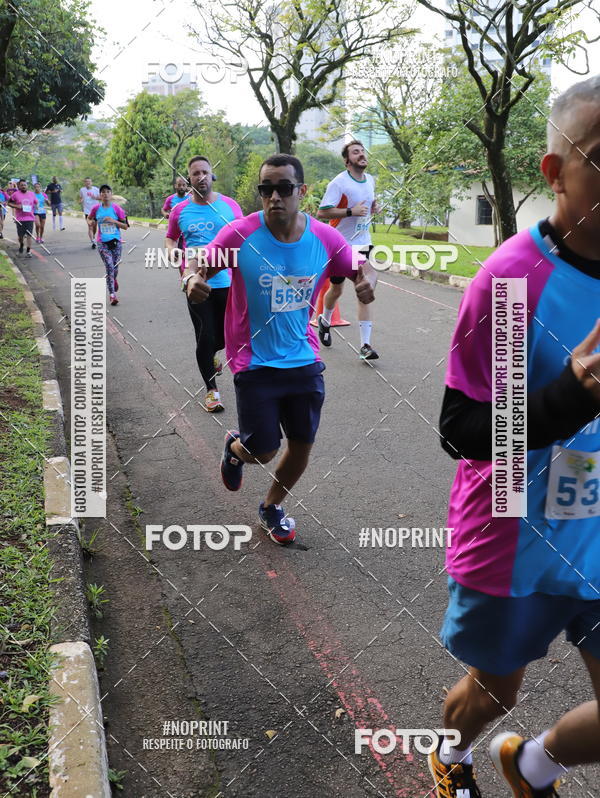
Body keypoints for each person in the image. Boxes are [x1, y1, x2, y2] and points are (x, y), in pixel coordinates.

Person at [428, 76, 600, 798]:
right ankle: (452, 754)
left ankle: (531, 766)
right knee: (493, 692)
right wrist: (567, 400)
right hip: (514, 531)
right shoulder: (512, 282)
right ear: (555, 172)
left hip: (597, 529)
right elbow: (462, 429)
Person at [185, 154, 377, 544]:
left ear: (301, 192)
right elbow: (198, 264)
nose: (274, 197)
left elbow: (362, 265)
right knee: (264, 451)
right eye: (266, 189)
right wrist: (190, 279)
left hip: (303, 357)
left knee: (302, 445)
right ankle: (236, 449)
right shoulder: (240, 235)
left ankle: (271, 506)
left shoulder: (324, 238)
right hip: (253, 361)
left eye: (284, 188)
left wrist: (366, 281)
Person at [166, 157, 242, 413]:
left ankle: (213, 354)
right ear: (189, 179)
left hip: (227, 280)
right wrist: (173, 252)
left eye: (205, 172)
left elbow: (243, 236)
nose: (201, 177)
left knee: (226, 336)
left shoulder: (230, 206)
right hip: (194, 283)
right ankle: (211, 391)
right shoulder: (179, 211)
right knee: (205, 334)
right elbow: (171, 239)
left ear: (212, 175)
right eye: (196, 173)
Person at [316, 140, 380, 360]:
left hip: (363, 243)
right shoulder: (339, 183)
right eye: (355, 152)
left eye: (362, 151)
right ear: (347, 160)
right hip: (340, 244)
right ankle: (325, 320)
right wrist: (351, 212)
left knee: (364, 288)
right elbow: (323, 212)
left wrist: (373, 207)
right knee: (336, 290)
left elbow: (368, 204)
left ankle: (365, 346)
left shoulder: (370, 180)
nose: (361, 154)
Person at [87, 185, 129, 305]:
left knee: (115, 268)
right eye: (103, 192)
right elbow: (89, 218)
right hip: (102, 242)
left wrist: (113, 221)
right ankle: (112, 295)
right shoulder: (96, 208)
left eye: (107, 192)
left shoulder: (117, 209)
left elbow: (125, 226)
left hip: (116, 242)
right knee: (109, 266)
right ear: (100, 195)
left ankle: (113, 279)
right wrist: (90, 223)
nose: (105, 194)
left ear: (111, 194)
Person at [7, 179, 38, 257]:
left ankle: (28, 251)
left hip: (30, 218)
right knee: (20, 236)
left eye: (25, 185)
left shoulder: (31, 194)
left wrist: (36, 208)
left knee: (29, 235)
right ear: (19, 186)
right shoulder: (15, 194)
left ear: (27, 186)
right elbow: (9, 203)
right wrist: (17, 206)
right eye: (22, 185)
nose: (23, 186)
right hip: (20, 219)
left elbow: (36, 203)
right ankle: (21, 245)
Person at [79, 178, 100, 248]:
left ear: (91, 182)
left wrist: (94, 197)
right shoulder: (82, 190)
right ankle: (93, 241)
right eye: (86, 182)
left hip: (96, 210)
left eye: (89, 181)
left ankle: (93, 236)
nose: (88, 183)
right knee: (90, 226)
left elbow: (101, 198)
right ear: (84, 183)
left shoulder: (96, 189)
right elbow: (81, 197)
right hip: (87, 211)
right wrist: (81, 201)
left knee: (95, 226)